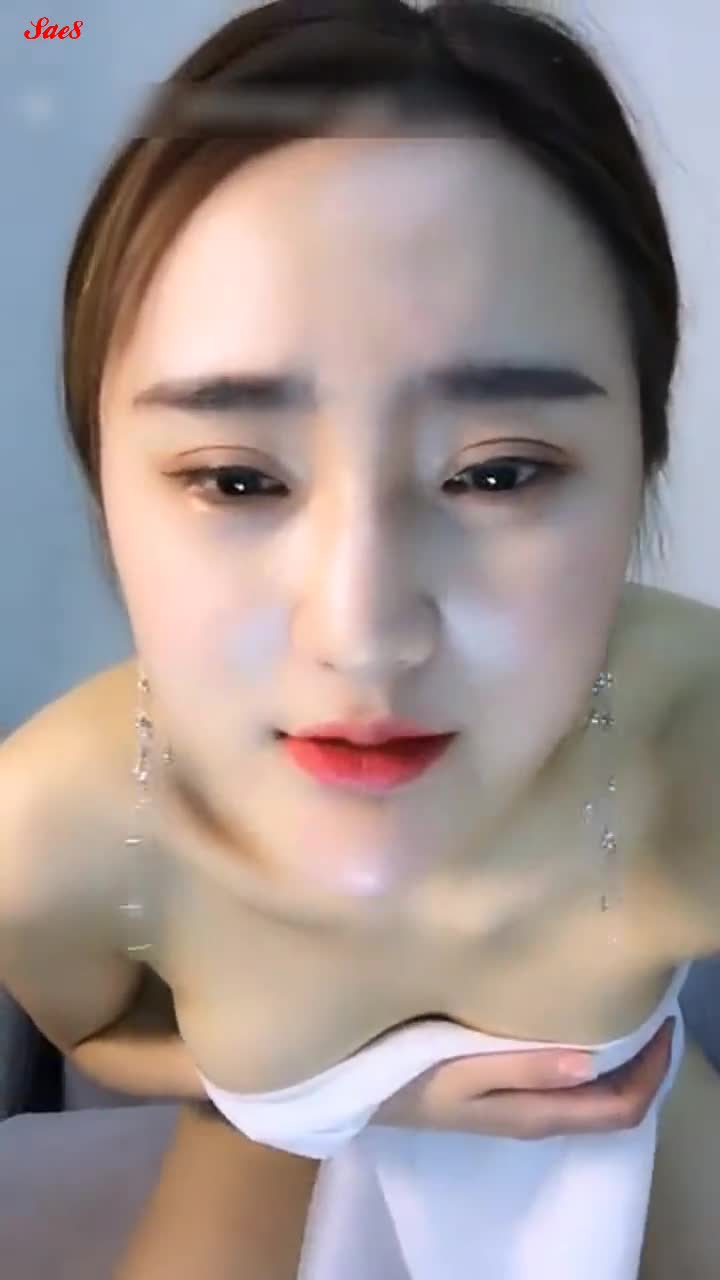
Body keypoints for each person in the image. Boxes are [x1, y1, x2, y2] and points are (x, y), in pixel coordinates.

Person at [2, 0, 719, 1275]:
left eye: (497, 474)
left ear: (640, 461)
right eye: (235, 478)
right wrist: (362, 1093)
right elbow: (93, 1033)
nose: (364, 635)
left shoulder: (694, 738)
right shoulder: (55, 827)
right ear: (103, 476)